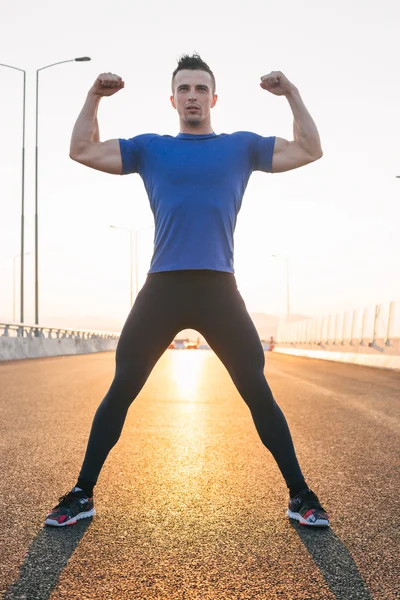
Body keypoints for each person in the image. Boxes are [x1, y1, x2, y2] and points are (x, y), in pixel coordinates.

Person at [45, 54, 329, 528]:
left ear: (213, 98)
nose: (193, 96)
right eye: (184, 89)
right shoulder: (150, 148)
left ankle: (300, 495)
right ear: (173, 99)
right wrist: (93, 96)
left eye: (201, 89)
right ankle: (82, 493)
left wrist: (291, 94)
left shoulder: (242, 146)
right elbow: (82, 150)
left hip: (219, 288)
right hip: (163, 289)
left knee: (257, 391)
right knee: (122, 389)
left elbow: (309, 149)